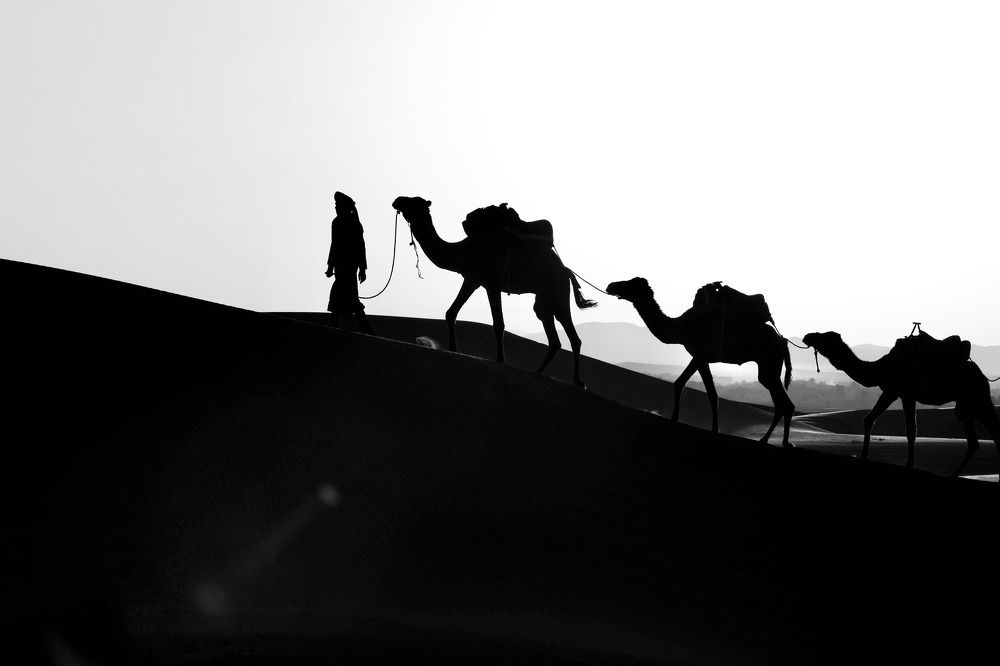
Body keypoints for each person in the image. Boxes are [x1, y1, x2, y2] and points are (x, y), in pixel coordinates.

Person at [325, 192, 374, 334]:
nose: (336, 208)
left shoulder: (353, 223)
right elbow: (334, 245)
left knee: (345, 295)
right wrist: (330, 266)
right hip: (341, 265)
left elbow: (360, 246)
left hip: (350, 265)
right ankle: (363, 328)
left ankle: (336, 325)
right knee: (345, 295)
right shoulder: (336, 222)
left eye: (338, 205)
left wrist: (363, 268)